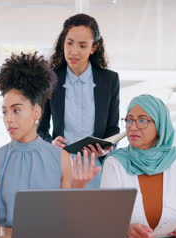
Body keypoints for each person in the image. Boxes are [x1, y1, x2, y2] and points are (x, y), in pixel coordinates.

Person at [0, 52, 100, 238]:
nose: (8, 119)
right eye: (5, 112)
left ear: (36, 112)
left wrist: (77, 188)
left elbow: (68, 224)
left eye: (16, 110)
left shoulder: (61, 158)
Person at [100, 94, 176, 238]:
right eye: (129, 120)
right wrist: (126, 230)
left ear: (160, 125)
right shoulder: (115, 162)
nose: (133, 127)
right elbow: (106, 220)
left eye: (142, 120)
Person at [38, 13, 120, 188]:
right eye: (69, 43)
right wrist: (50, 144)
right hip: (62, 166)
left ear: (93, 47)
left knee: (95, 214)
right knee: (64, 213)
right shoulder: (51, 79)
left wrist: (107, 148)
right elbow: (41, 129)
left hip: (97, 168)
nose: (74, 51)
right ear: (63, 42)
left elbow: (113, 128)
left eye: (82, 46)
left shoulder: (109, 80)